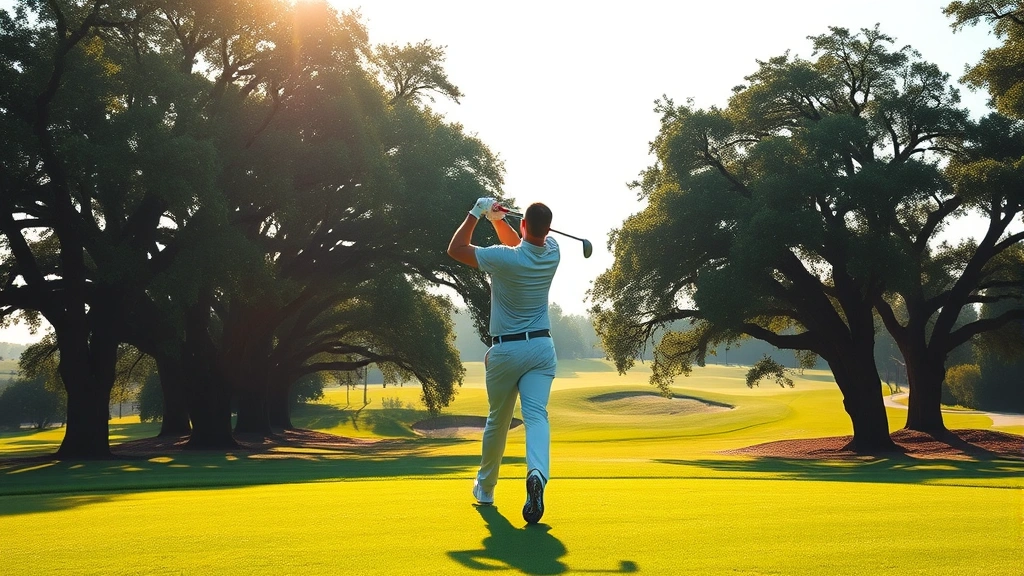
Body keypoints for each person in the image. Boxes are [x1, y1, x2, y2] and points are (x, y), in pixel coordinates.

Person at [447, 197, 560, 524]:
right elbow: (521, 243)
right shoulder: (553, 251)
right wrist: (498, 221)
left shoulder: (501, 258)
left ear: (523, 224)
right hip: (541, 348)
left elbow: (456, 249)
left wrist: (476, 212)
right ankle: (537, 474)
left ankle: (485, 489)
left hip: (505, 351)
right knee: (537, 416)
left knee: (498, 420)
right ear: (547, 229)